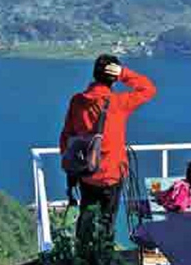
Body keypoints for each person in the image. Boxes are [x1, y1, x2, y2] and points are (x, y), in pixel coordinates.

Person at [60, 54, 156, 241]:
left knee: (86, 217)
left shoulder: (77, 101)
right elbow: (149, 89)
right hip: (111, 174)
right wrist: (124, 73)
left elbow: (67, 135)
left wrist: (70, 164)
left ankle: (82, 258)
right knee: (107, 222)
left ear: (95, 74)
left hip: (86, 172)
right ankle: (102, 261)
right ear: (113, 77)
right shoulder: (118, 103)